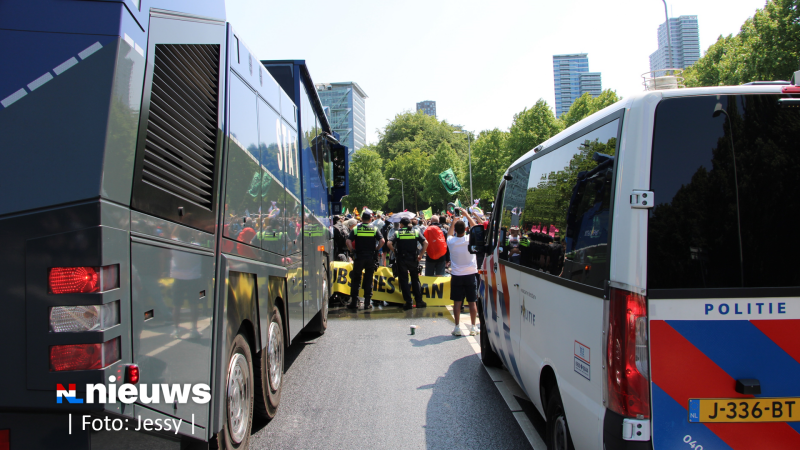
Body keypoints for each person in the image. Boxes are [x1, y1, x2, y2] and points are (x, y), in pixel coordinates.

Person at [446, 207, 479, 336]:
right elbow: (476, 228)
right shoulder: (470, 239)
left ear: (455, 230)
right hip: (470, 274)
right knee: (472, 301)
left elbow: (449, 234)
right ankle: (473, 327)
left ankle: (457, 327)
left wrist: (453, 221)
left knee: (457, 302)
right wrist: (467, 215)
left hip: (457, 275)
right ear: (465, 229)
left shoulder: (451, 241)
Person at [346, 210, 384, 310]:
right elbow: (382, 241)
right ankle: (367, 303)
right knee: (368, 279)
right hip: (370, 257)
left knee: (356, 279)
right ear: (370, 219)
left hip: (359, 257)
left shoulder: (356, 229)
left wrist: (352, 251)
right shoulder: (374, 229)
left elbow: (348, 241)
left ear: (362, 219)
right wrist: (376, 249)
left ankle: (354, 303)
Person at [388, 217, 428, 310]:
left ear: (401, 224)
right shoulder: (415, 232)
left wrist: (395, 251)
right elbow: (426, 243)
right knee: (415, 279)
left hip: (401, 259)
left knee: (404, 280)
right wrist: (420, 255)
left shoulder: (398, 233)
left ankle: (408, 302)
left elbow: (389, 243)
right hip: (413, 259)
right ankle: (419, 301)